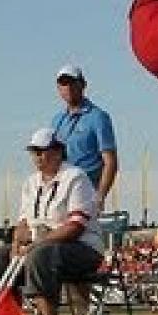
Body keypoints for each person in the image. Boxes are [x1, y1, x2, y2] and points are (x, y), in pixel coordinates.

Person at [0, 129, 104, 315]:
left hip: (82, 249)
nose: (38, 157)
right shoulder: (31, 183)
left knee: (41, 255)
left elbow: (75, 227)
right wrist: (18, 242)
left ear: (58, 152)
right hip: (44, 247)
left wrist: (37, 243)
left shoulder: (76, 177)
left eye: (42, 151)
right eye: (34, 152)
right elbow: (23, 222)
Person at [50, 65, 118, 213]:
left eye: (71, 82)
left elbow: (110, 161)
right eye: (62, 83)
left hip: (86, 192)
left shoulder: (98, 117)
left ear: (83, 84)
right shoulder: (57, 120)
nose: (67, 87)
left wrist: (100, 196)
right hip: (60, 192)